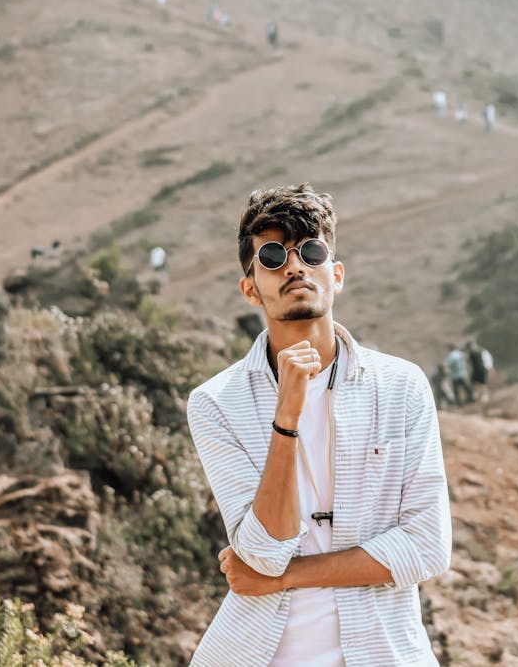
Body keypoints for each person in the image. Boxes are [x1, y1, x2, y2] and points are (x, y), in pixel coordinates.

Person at [187, 183, 451, 666]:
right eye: (271, 256)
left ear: (337, 274)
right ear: (250, 289)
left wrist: (289, 576)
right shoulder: (216, 403)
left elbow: (427, 548)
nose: (294, 266)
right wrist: (285, 419)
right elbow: (263, 554)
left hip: (383, 651)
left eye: (310, 251)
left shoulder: (401, 387)